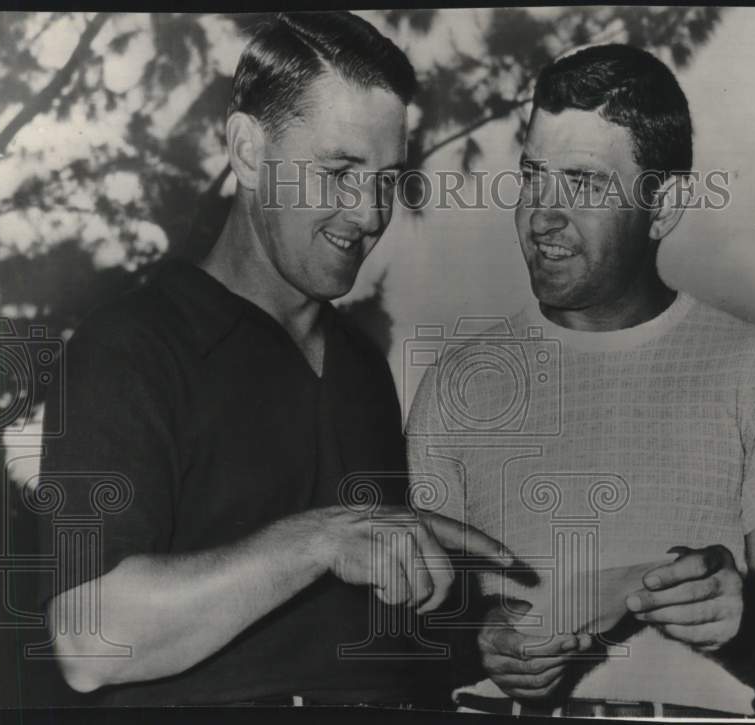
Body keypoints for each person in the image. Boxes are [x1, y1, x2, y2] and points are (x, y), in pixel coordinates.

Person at [37, 12, 509, 707]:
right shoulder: (129, 349)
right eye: (340, 172)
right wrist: (319, 540)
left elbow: (352, 636)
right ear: (248, 151)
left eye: (386, 180)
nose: (370, 213)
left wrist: (483, 641)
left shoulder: (360, 365)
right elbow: (87, 644)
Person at [407, 44, 755, 717]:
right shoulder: (455, 380)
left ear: (662, 206)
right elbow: (410, 621)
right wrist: (480, 638)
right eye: (532, 177)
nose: (541, 216)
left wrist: (741, 617)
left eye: (584, 183)